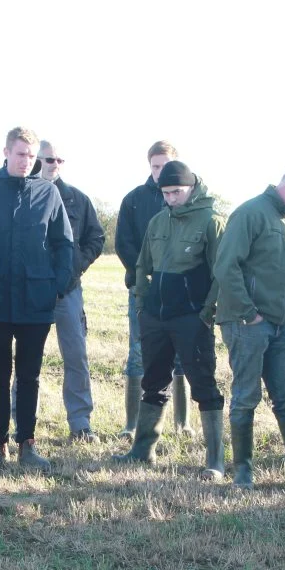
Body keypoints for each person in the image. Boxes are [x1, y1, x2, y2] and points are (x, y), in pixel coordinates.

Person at [0, 126, 73, 472]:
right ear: (6, 153)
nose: (27, 161)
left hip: (36, 302)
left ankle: (28, 443)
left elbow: (63, 243)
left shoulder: (49, 194)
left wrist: (57, 285)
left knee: (30, 375)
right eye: (21, 154)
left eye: (32, 156)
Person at [214, 162, 285, 491]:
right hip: (247, 324)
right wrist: (249, 313)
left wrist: (283, 317)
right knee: (246, 397)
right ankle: (243, 473)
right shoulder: (250, 213)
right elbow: (225, 266)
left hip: (281, 324)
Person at [114, 161, 227, 479]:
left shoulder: (212, 221)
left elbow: (222, 271)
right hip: (155, 317)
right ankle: (142, 450)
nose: (171, 198)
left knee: (204, 384)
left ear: (191, 187)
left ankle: (215, 461)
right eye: (165, 193)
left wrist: (207, 312)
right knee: (153, 381)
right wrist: (142, 303)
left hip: (192, 318)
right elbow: (141, 265)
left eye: (176, 191)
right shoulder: (157, 221)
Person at [116, 140, 192, 438]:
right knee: (138, 353)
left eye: (165, 166)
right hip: (143, 290)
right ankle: (132, 424)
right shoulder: (134, 200)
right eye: (155, 166)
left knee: (181, 355)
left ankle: (182, 423)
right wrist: (144, 277)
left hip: (181, 290)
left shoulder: (187, 199)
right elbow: (125, 243)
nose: (160, 172)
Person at [36, 140, 106, 441]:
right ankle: (19, 423)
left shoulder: (77, 199)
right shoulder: (23, 195)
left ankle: (81, 424)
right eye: (49, 159)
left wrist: (76, 266)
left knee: (76, 356)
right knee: (27, 359)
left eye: (59, 160)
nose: (54, 164)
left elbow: (96, 237)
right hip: (32, 292)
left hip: (68, 291)